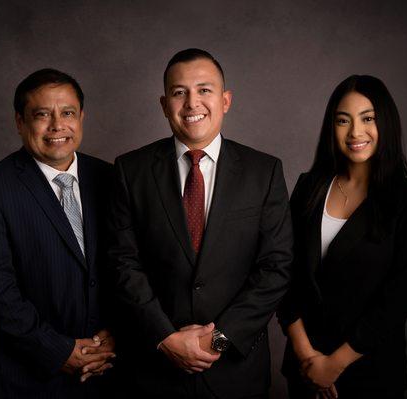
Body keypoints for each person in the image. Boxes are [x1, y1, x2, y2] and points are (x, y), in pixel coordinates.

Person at [107, 48, 293, 398]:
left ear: (225, 100)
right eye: (180, 93)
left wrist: (219, 339)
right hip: (153, 371)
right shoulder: (130, 171)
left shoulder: (263, 171)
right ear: (164, 104)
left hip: (236, 373)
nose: (192, 103)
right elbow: (122, 263)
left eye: (204, 90)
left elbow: (276, 267)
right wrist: (165, 337)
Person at [278, 75, 407, 399]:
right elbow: (284, 273)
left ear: (386, 124)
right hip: (304, 371)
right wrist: (308, 357)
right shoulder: (309, 187)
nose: (355, 133)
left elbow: (398, 300)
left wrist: (333, 365)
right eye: (342, 120)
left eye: (368, 119)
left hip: (371, 374)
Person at [0, 68, 115, 398]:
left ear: (82, 117)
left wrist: (116, 333)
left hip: (109, 371)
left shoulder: (110, 178)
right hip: (29, 378)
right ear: (20, 122)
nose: (58, 126)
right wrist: (57, 351)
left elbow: (129, 264)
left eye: (68, 113)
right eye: (42, 115)